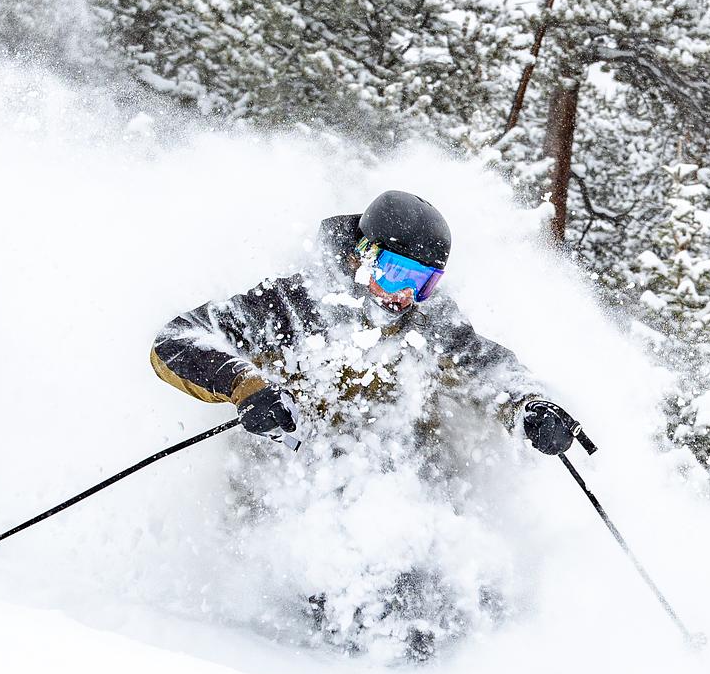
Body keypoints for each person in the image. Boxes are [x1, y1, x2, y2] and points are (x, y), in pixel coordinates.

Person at [149, 189, 583, 469]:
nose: (405, 295)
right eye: (397, 273)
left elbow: (486, 367)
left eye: (423, 283)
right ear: (362, 255)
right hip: (290, 478)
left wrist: (530, 405)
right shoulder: (292, 305)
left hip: (394, 486)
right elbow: (176, 340)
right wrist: (247, 387)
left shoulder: (426, 321)